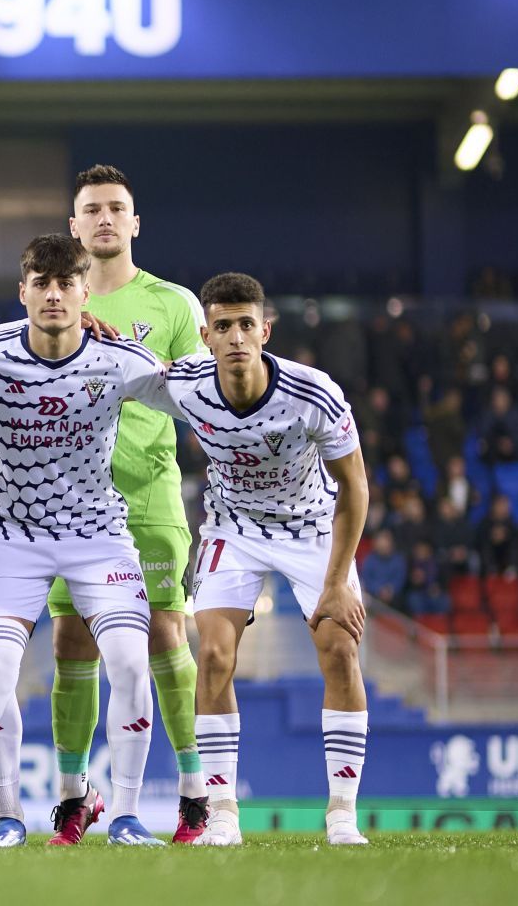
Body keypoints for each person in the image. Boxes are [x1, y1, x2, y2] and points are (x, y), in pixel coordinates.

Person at [0, 234, 175, 847]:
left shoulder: (119, 359)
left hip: (99, 538)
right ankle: (8, 817)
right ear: (22, 290)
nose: (53, 295)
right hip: (15, 540)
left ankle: (128, 817)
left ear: (85, 291)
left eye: (65, 283)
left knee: (133, 663)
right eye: (41, 283)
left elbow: (193, 400)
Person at [158, 272, 370, 847]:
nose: (234, 337)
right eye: (222, 326)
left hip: (313, 529)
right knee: (214, 655)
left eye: (245, 325)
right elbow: (123, 371)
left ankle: (343, 815)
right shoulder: (186, 385)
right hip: (234, 529)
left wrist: (336, 585)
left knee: (339, 649)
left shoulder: (315, 393)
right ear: (205, 335)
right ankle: (223, 812)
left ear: (265, 330)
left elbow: (356, 488)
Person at [46, 164, 211, 843]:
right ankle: (73, 793)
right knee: (70, 638)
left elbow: (204, 398)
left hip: (149, 498)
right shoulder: (54, 302)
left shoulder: (174, 304)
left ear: (135, 222)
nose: (106, 217)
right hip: (67, 503)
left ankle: (195, 790)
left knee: (165, 633)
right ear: (75, 226)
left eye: (118, 207)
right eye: (94, 208)